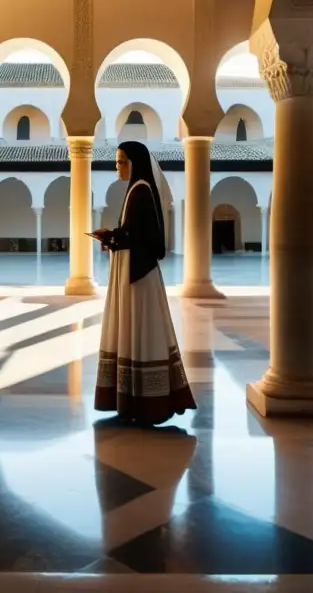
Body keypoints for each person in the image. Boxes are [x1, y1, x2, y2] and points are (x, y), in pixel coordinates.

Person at [91, 141, 197, 425]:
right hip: (135, 271)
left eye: (122, 161)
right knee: (139, 328)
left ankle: (145, 399)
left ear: (135, 163)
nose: (117, 166)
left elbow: (144, 240)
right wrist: (115, 237)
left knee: (141, 328)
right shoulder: (136, 191)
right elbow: (135, 233)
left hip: (139, 275)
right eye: (117, 161)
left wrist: (114, 238)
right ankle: (137, 397)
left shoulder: (140, 192)